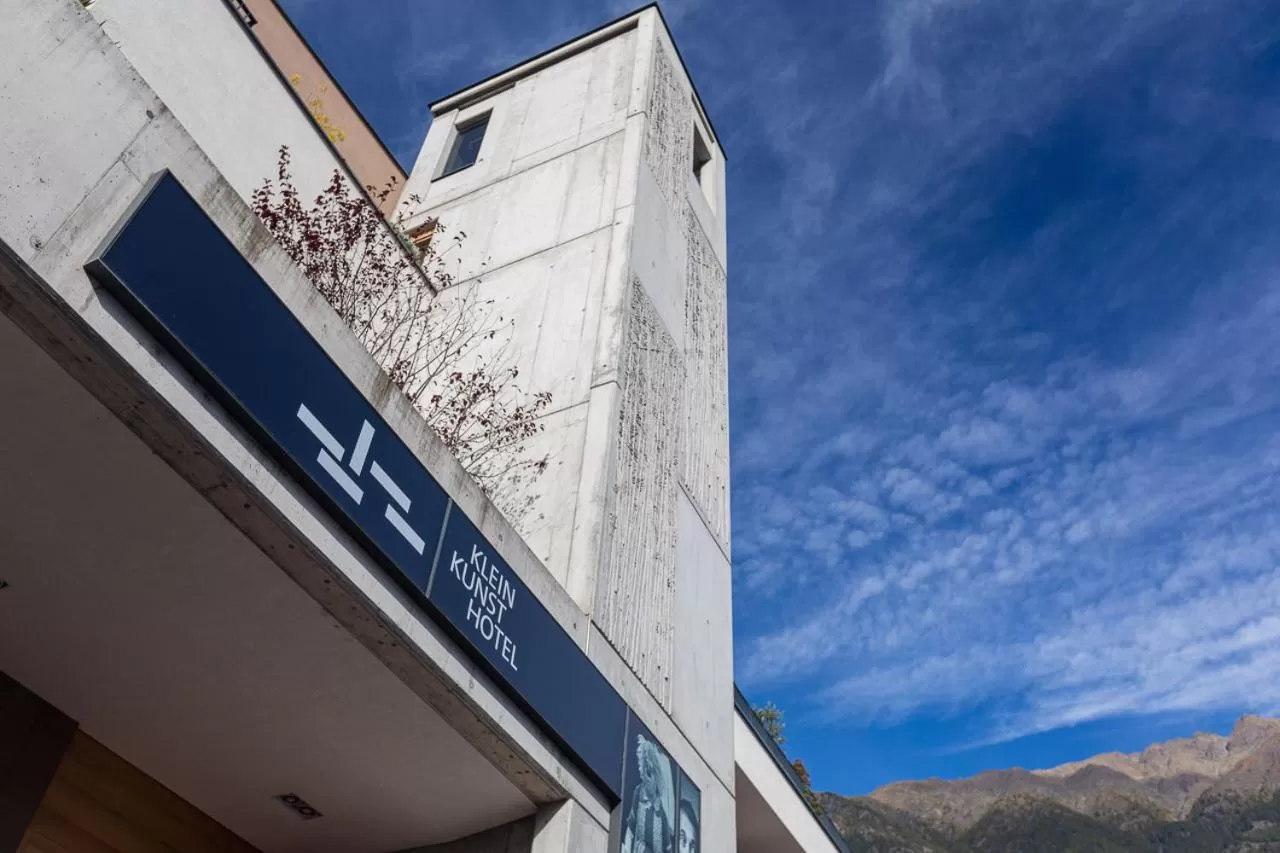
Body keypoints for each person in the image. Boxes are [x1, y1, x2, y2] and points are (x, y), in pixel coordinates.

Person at [622, 734, 674, 853]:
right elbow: (630, 827)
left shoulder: (662, 814)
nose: (641, 772)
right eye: (640, 767)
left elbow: (668, 849)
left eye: (649, 773)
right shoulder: (638, 792)